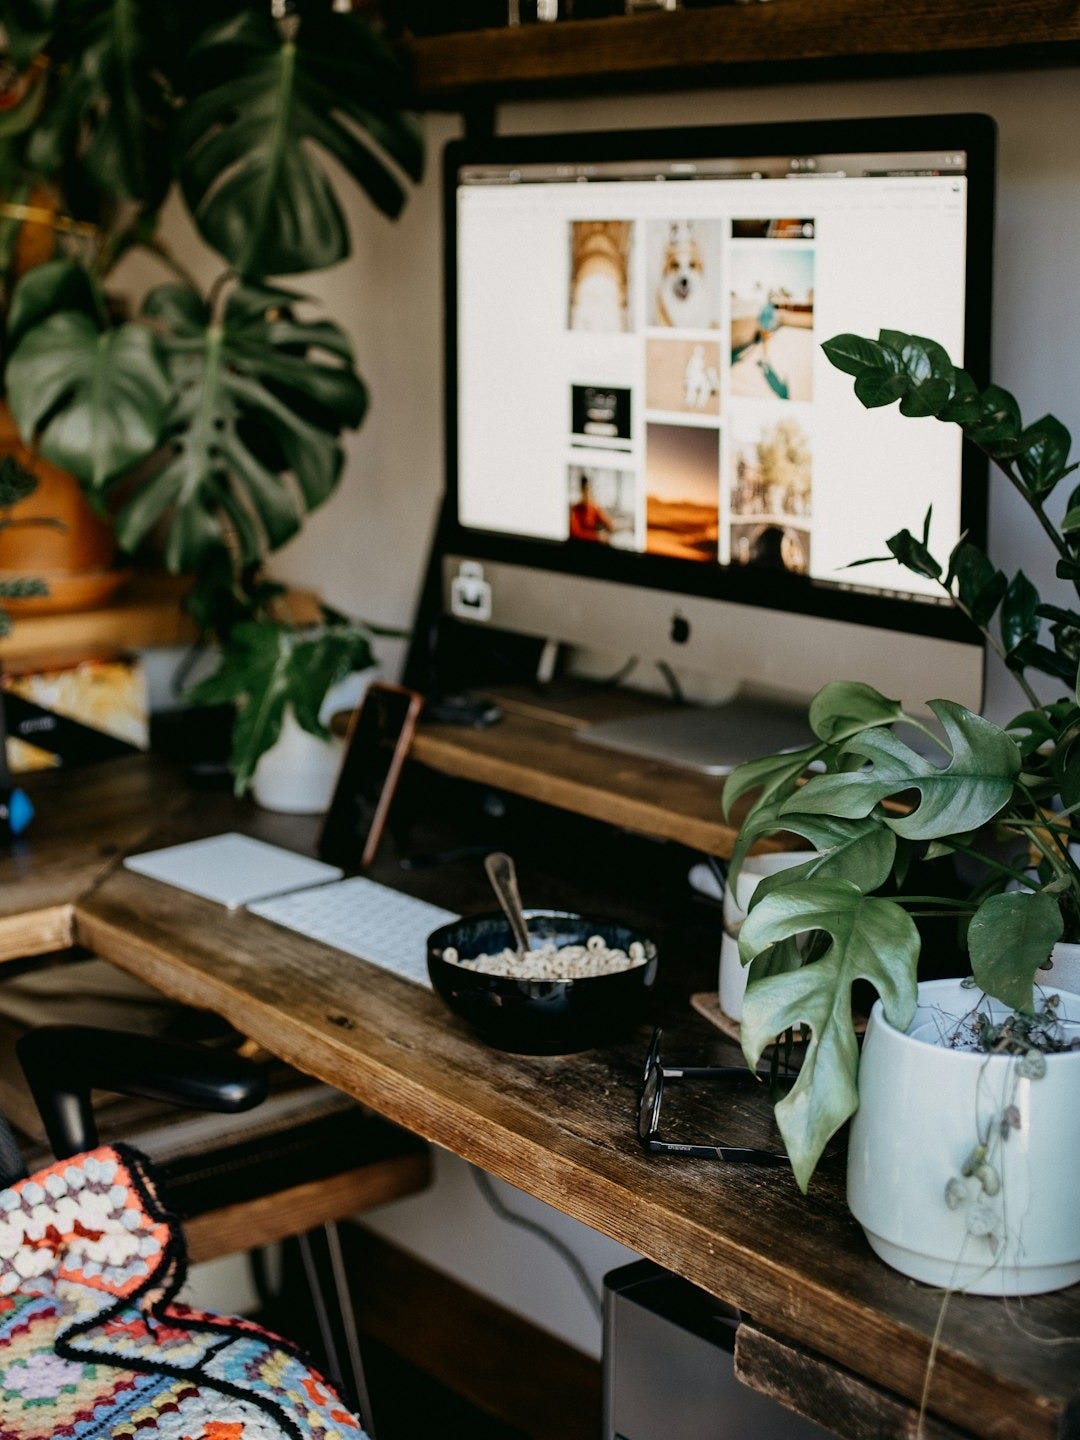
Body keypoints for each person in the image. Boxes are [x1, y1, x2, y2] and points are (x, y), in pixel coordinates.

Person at [569, 474, 616, 543]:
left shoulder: (594, 507)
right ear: (581, 491)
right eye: (585, 490)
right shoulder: (575, 509)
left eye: (590, 490)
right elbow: (575, 533)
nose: (588, 493)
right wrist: (597, 536)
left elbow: (609, 524)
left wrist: (609, 527)